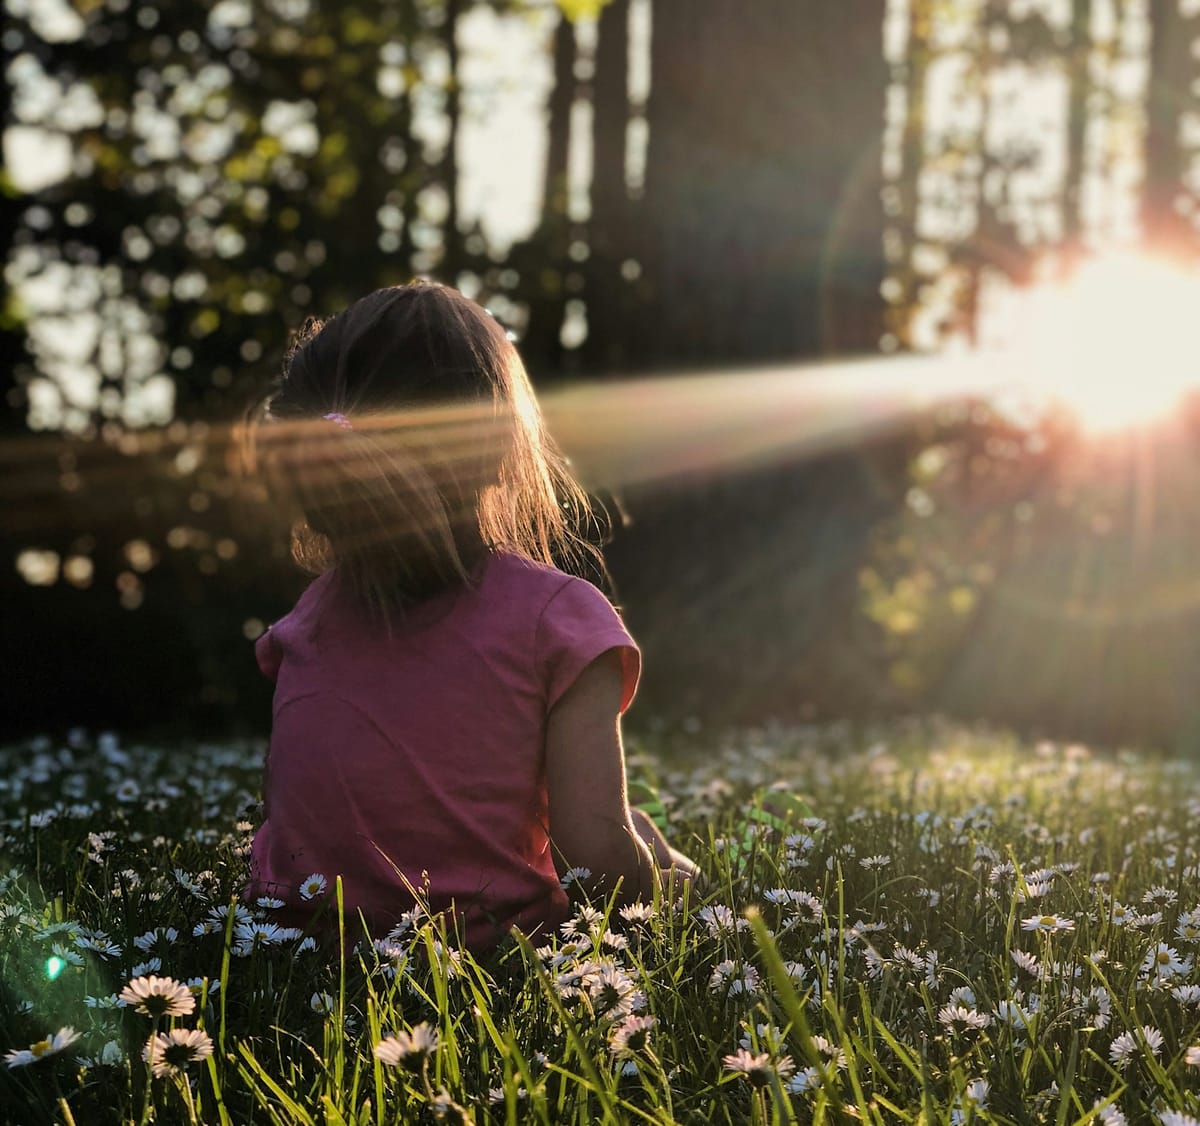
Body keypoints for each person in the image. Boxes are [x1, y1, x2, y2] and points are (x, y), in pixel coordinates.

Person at [239, 281, 698, 953]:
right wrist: (675, 884)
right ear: (493, 446)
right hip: (487, 959)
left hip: (299, 949)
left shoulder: (304, 625)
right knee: (638, 838)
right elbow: (595, 859)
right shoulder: (558, 621)